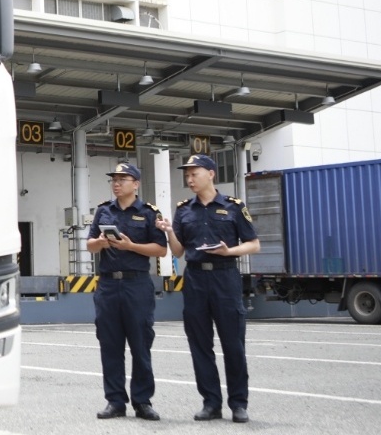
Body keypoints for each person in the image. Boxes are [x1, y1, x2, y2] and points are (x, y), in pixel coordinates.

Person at [155, 154, 260, 424]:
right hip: (196, 279)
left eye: (194, 174)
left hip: (225, 277)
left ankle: (238, 404)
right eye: (187, 175)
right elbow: (178, 251)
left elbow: (254, 244)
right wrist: (169, 231)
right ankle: (211, 403)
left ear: (211, 174)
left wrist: (229, 251)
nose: (189, 179)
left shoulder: (234, 207)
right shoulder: (184, 210)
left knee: (233, 343)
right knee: (200, 344)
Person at [87, 162, 168, 421]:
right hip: (108, 285)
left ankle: (142, 402)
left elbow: (161, 249)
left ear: (136, 184)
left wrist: (131, 246)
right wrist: (100, 243)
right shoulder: (103, 211)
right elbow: (89, 245)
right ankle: (115, 401)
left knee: (140, 344)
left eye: (122, 179)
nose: (116, 183)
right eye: (114, 179)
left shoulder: (148, 213)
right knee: (110, 345)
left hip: (137, 284)